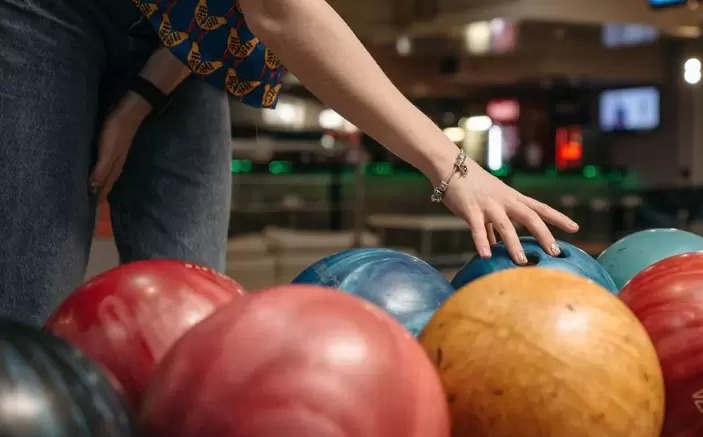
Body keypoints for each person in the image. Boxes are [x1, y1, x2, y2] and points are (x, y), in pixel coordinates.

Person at [0, 0, 578, 326]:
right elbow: (281, 11)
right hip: (50, 12)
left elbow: (216, 12)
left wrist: (144, 96)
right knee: (26, 315)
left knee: (199, 318)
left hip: (174, 34)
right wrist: (453, 167)